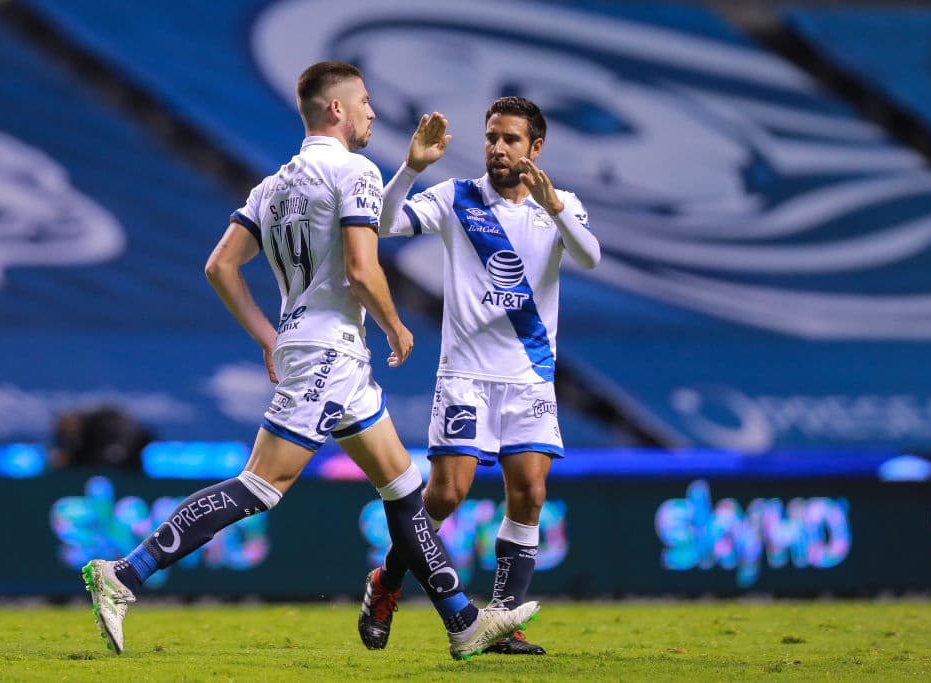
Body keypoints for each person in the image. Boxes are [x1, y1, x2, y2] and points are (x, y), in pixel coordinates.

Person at [82, 62, 538, 660]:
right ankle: (125, 574)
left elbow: (220, 266)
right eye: (366, 101)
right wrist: (395, 324)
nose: (373, 112)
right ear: (336, 111)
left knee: (403, 488)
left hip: (318, 346)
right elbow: (360, 266)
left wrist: (269, 338)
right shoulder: (355, 172)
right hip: (329, 353)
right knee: (261, 485)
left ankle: (461, 622)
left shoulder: (273, 184)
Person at [358, 98, 600, 655]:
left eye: (510, 140)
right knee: (445, 496)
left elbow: (589, 258)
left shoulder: (561, 207)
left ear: (535, 149)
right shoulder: (456, 197)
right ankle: (386, 582)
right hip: (466, 375)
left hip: (530, 376)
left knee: (531, 494)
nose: (497, 148)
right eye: (492, 137)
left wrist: (556, 205)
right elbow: (386, 223)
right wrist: (413, 166)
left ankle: (500, 622)